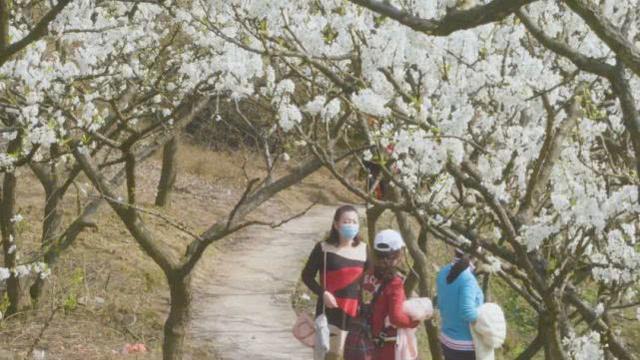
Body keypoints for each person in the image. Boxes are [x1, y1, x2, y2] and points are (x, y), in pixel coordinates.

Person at [302, 205, 369, 360]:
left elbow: (373, 278)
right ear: (336, 224)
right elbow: (307, 276)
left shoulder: (364, 250)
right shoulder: (323, 249)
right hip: (329, 313)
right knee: (328, 355)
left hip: (354, 315)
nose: (350, 225)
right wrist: (322, 293)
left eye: (354, 221)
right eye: (346, 221)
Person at [362, 229, 420, 360]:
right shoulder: (395, 283)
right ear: (397, 254)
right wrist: (414, 322)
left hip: (370, 338)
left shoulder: (367, 274)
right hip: (390, 343)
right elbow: (396, 318)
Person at [436, 249, 484, 360]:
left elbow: (440, 302)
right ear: (475, 256)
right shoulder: (467, 279)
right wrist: (487, 321)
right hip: (464, 345)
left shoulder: (444, 271)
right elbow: (467, 312)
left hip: (447, 339)